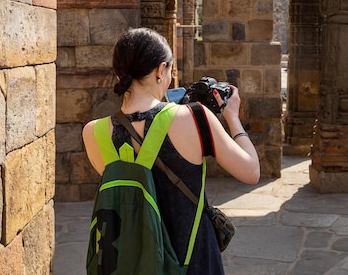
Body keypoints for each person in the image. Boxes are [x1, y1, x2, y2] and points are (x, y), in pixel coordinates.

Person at [82, 28, 260, 275]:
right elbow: (251, 171)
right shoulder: (196, 118)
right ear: (160, 70)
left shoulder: (93, 133)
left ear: (118, 73)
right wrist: (232, 118)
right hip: (193, 259)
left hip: (131, 264)